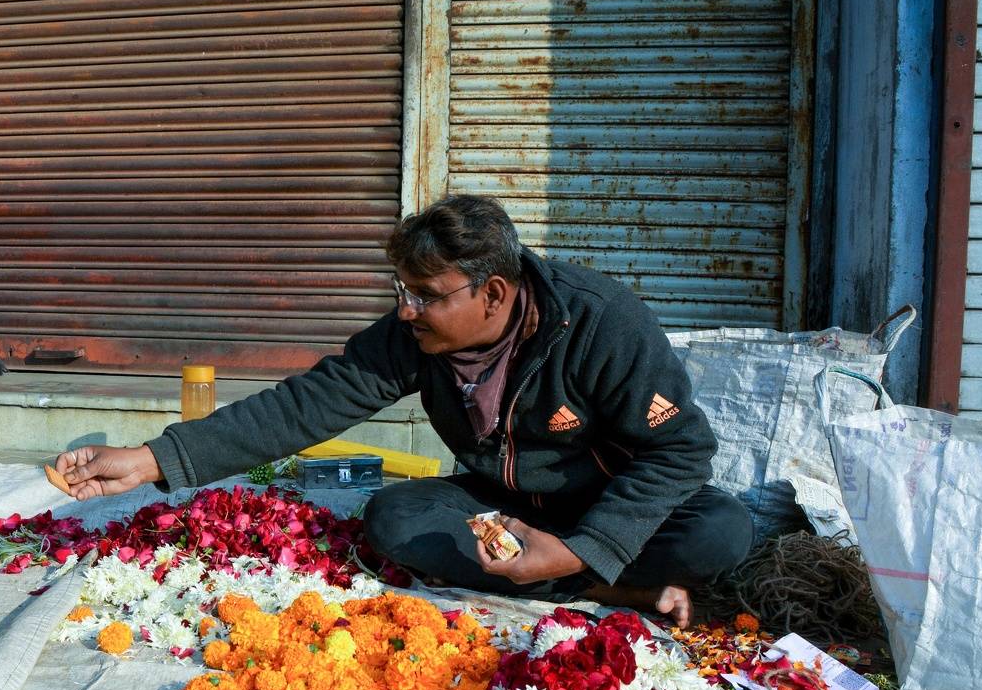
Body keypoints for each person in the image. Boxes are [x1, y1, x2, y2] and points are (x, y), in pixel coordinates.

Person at [56, 195, 752, 626]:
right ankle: (603, 589)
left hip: (604, 501)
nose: (406, 310)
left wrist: (578, 546)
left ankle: (574, 575)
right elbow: (304, 406)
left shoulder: (600, 322)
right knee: (394, 518)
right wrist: (151, 460)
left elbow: (681, 452)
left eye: (425, 295)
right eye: (401, 291)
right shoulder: (413, 337)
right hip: (505, 509)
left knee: (721, 531)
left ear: (493, 293)